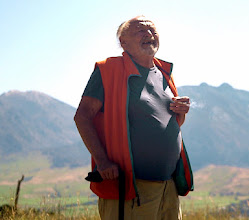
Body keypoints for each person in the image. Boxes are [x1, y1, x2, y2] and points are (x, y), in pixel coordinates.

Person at [74, 16, 193, 220]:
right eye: (140, 30)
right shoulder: (108, 70)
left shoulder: (165, 73)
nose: (149, 34)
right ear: (123, 42)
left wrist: (180, 113)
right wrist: (102, 162)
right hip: (130, 187)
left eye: (153, 31)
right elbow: (82, 116)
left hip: (168, 187)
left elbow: (165, 124)